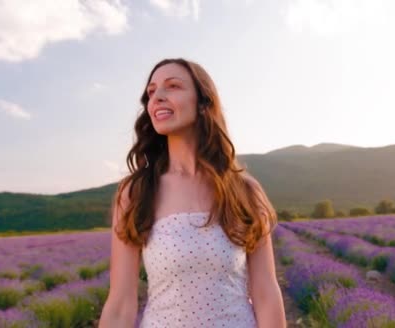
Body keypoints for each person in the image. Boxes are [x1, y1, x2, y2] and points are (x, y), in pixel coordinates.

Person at [98, 58, 286, 328]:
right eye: (151, 92)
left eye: (172, 86)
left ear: (202, 103)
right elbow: (120, 303)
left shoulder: (244, 191)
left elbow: (266, 293)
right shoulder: (136, 193)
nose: (158, 97)